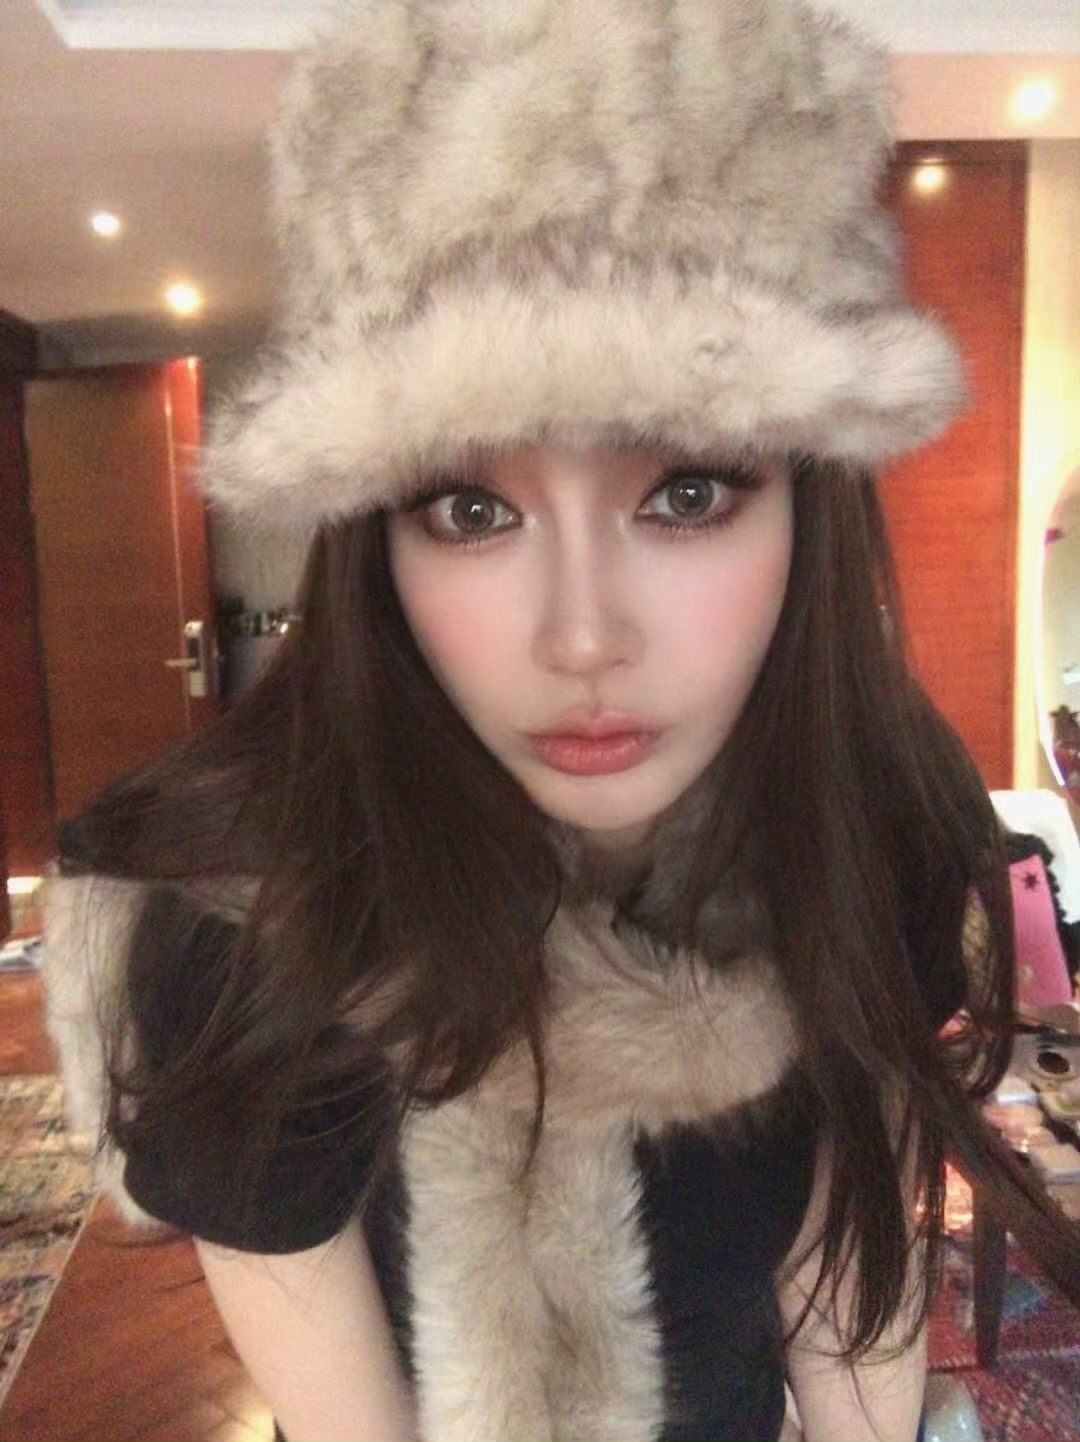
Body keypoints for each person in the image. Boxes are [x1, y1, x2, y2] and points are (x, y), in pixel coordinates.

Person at [40, 3, 1078, 1440]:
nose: (581, 637)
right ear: (373, 534)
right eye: (472, 507)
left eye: (688, 491)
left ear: (811, 501)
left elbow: (847, 1294)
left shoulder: (876, 807)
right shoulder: (247, 919)